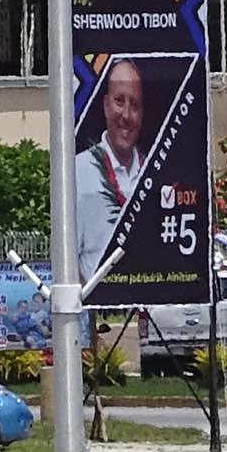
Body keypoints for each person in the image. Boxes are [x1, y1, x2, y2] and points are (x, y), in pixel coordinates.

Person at [72, 56, 153, 283]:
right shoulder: (78, 171)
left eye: (135, 105)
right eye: (119, 101)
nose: (126, 115)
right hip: (96, 308)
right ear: (106, 105)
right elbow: (67, 260)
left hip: (147, 306)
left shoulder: (155, 174)